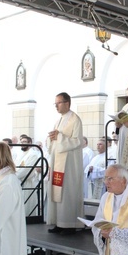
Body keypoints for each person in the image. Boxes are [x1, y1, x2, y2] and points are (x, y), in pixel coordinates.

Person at [47, 92, 84, 234]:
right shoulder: (59, 120)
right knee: (58, 192)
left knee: (68, 192)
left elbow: (78, 141)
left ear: (67, 103)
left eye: (59, 103)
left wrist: (60, 137)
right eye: (55, 103)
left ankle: (70, 224)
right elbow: (54, 140)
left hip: (69, 164)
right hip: (58, 162)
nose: (56, 106)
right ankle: (59, 222)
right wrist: (51, 138)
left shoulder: (75, 120)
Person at [14, 135, 42, 216]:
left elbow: (26, 170)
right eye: (21, 142)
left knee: (27, 206)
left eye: (24, 142)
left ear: (30, 143)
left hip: (27, 182)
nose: (22, 144)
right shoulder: (20, 154)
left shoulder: (33, 154)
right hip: (18, 181)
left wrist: (14, 176)